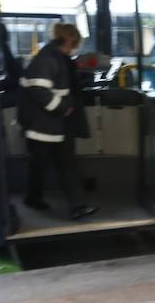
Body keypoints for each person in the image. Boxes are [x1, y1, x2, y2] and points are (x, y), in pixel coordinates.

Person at [20, 22, 97, 220]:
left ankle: (34, 197)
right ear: (69, 40)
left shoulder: (51, 56)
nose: (73, 50)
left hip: (48, 124)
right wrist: (63, 107)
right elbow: (39, 90)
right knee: (64, 164)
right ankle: (77, 206)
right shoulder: (49, 58)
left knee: (43, 163)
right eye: (74, 45)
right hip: (50, 123)